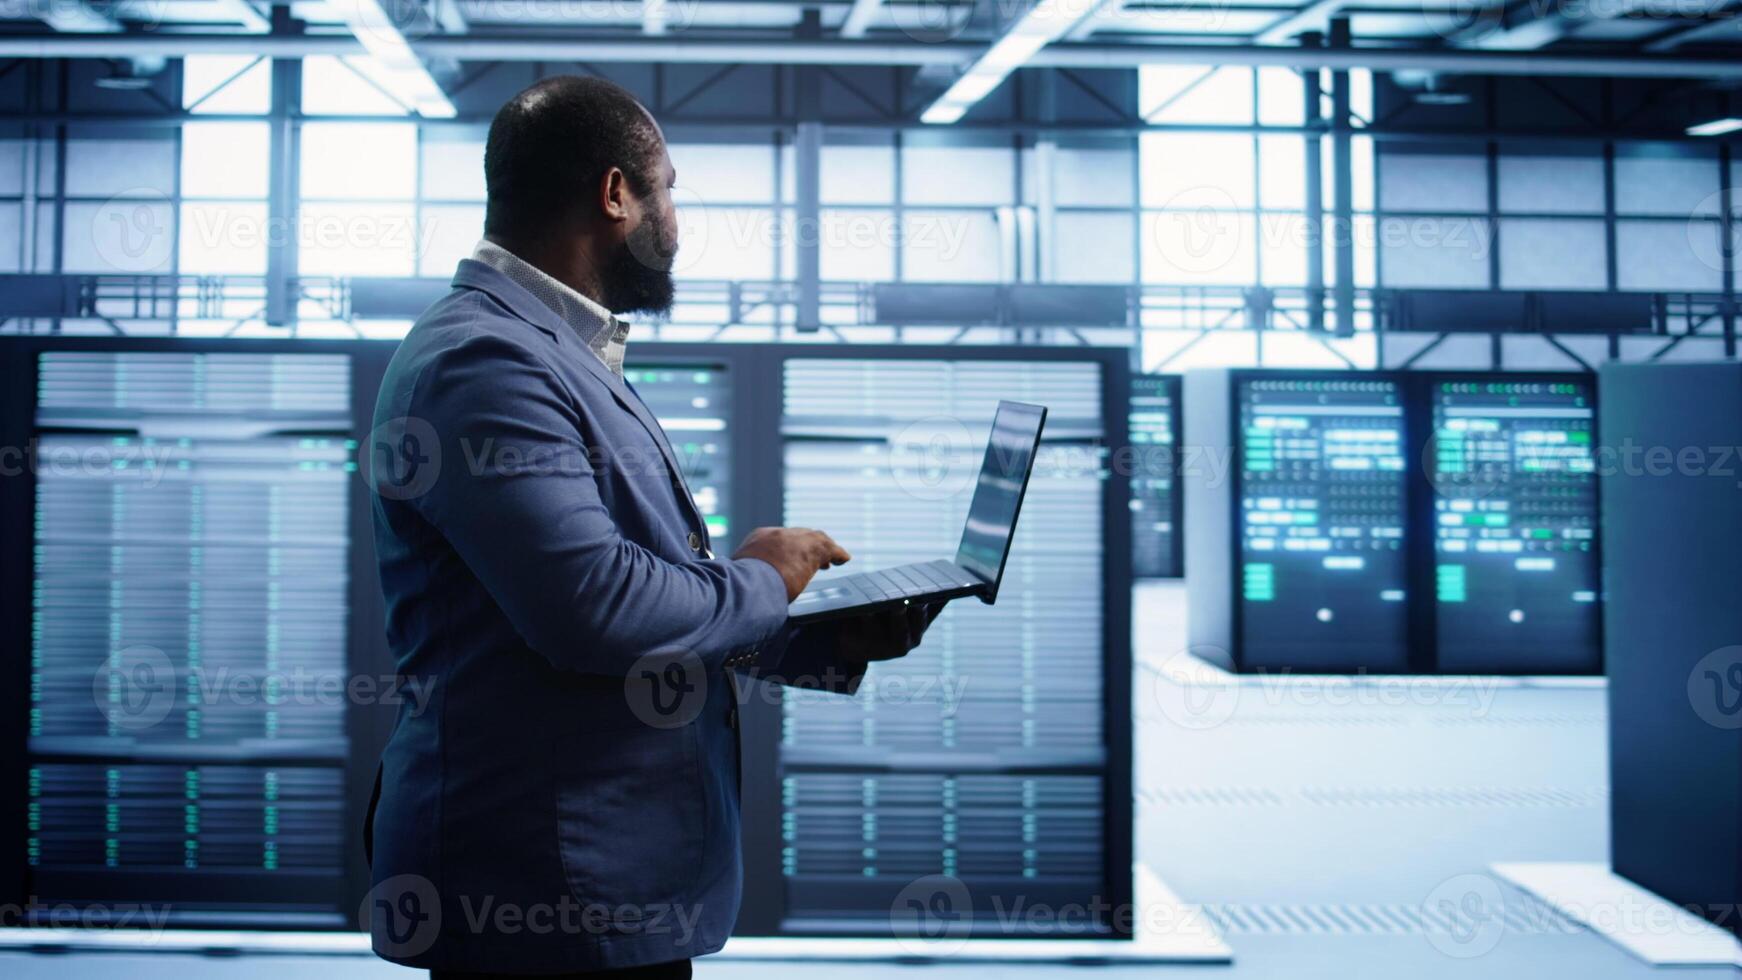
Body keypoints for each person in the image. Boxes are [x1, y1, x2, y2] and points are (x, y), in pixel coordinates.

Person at [364, 75, 939, 979]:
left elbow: (641, 586)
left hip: (599, 888)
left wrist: (803, 634)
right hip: (545, 895)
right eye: (668, 186)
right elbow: (594, 608)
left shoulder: (554, 353)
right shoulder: (486, 362)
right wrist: (765, 577)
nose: (675, 217)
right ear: (615, 194)